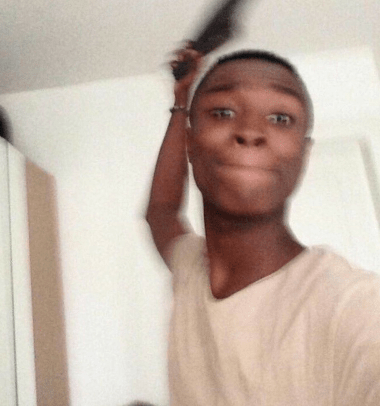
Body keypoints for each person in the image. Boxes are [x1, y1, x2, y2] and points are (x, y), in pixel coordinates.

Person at [145, 43, 380, 405]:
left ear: (303, 155)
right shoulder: (190, 268)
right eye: (223, 112)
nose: (251, 131)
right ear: (190, 144)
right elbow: (161, 211)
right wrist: (181, 100)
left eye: (280, 118)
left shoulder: (353, 307)